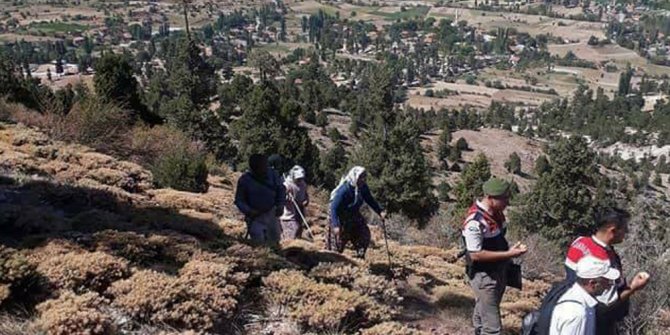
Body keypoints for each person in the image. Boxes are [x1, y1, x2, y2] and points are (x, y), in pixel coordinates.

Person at [564, 208, 650, 334]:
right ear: (613, 230)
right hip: (597, 324)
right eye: (624, 228)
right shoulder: (603, 263)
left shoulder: (579, 242)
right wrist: (633, 287)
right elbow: (608, 303)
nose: (626, 232)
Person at [462, 177, 528, 335]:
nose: (507, 202)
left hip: (497, 272)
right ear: (490, 198)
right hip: (485, 277)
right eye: (504, 198)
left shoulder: (495, 215)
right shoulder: (475, 222)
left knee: (483, 311)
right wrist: (509, 253)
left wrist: (509, 251)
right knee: (493, 328)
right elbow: (476, 254)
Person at [550, 256, 621, 335]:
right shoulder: (577, 312)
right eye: (606, 281)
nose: (609, 285)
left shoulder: (581, 302)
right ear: (592, 283)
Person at [327, 166, 385, 258]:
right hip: (339, 214)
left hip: (353, 212)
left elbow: (369, 199)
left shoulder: (363, 188)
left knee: (364, 233)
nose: (363, 180)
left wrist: (380, 211)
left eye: (364, 177)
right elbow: (334, 208)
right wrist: (335, 225)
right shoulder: (344, 190)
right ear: (355, 177)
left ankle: (360, 255)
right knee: (338, 240)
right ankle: (333, 260)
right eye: (361, 177)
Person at [234, 154, 285, 246]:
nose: (264, 168)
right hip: (255, 217)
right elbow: (239, 200)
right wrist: (249, 211)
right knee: (258, 241)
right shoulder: (245, 180)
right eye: (261, 166)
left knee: (275, 238)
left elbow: (281, 190)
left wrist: (280, 205)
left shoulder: (273, 175)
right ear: (254, 167)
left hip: (271, 213)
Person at [280, 165, 310, 240]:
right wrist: (287, 198)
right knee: (293, 230)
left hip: (300, 210)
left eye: (301, 178)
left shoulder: (303, 184)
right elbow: (281, 197)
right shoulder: (287, 185)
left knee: (299, 229)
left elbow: (306, 194)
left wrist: (306, 200)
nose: (300, 180)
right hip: (289, 214)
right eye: (298, 179)